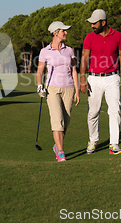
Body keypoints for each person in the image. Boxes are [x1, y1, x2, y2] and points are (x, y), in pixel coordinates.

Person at [79, 9, 121, 155]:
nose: (92, 26)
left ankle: (114, 144)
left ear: (103, 22)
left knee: (114, 110)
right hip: (93, 78)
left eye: (94, 23)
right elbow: (84, 58)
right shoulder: (89, 37)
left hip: (112, 78)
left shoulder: (117, 36)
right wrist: (82, 79)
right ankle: (93, 141)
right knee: (93, 113)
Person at [36, 21, 80, 162]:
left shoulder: (69, 50)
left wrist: (77, 90)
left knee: (65, 123)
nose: (66, 33)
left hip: (68, 88)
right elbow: (40, 71)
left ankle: (57, 145)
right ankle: (61, 152)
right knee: (57, 121)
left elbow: (74, 70)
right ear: (55, 33)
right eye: (63, 31)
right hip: (52, 89)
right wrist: (39, 85)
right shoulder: (45, 51)